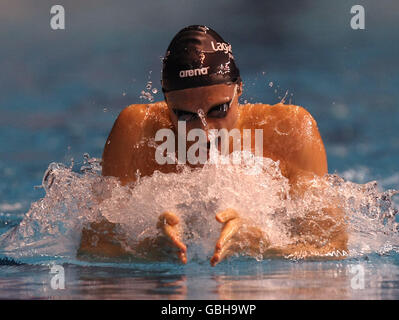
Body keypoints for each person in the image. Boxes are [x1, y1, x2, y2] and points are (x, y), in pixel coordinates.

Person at [78, 25, 347, 265]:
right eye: (184, 116)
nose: (205, 133)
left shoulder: (289, 130)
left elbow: (334, 246)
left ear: (239, 88)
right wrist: (150, 244)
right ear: (166, 104)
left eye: (218, 110)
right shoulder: (137, 131)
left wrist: (262, 243)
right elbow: (93, 249)